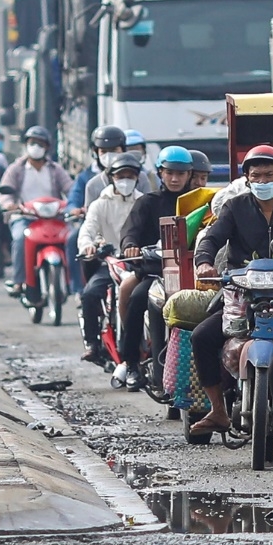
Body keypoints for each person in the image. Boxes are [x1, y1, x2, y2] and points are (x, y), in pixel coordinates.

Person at [189, 145, 273, 435]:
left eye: (268, 175)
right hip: (241, 292)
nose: (262, 181)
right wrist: (203, 262)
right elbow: (211, 239)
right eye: (256, 176)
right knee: (202, 336)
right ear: (247, 179)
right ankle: (217, 410)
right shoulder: (235, 207)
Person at [113, 146, 193, 389]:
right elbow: (130, 231)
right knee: (137, 300)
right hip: (154, 273)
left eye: (181, 173)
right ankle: (131, 362)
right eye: (169, 173)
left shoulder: (197, 202)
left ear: (190, 175)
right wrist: (130, 246)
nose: (175, 178)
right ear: (160, 173)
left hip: (191, 275)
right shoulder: (147, 203)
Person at [77, 153, 144, 364]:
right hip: (109, 262)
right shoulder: (100, 204)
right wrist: (88, 245)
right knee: (89, 294)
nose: (125, 181)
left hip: (137, 262)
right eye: (120, 176)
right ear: (111, 178)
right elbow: (87, 230)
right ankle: (92, 343)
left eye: (131, 176)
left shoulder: (143, 202)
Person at [0, 126, 72, 299]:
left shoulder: (55, 169)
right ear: (26, 145)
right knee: (19, 238)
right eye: (32, 143)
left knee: (72, 237)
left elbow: (70, 188)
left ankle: (72, 282)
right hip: (25, 216)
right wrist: (9, 205)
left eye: (40, 143)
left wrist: (74, 205)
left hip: (53, 216)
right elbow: (4, 192)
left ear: (47, 147)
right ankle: (18, 281)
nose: (35, 147)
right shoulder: (16, 169)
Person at [67, 125, 128, 292]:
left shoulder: (140, 176)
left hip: (130, 240)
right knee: (74, 240)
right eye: (104, 151)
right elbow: (84, 210)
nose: (125, 181)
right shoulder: (89, 180)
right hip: (100, 234)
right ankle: (79, 288)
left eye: (114, 150)